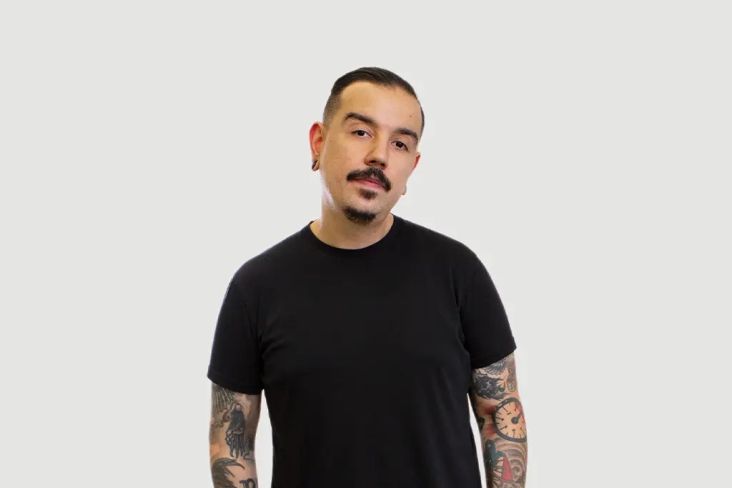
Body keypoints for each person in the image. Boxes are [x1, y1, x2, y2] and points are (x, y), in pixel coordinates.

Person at [207, 66, 528, 488]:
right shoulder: (255, 288)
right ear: (318, 142)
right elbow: (231, 446)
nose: (379, 156)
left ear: (412, 166)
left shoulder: (459, 272)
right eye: (361, 132)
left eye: (400, 143)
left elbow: (500, 415)